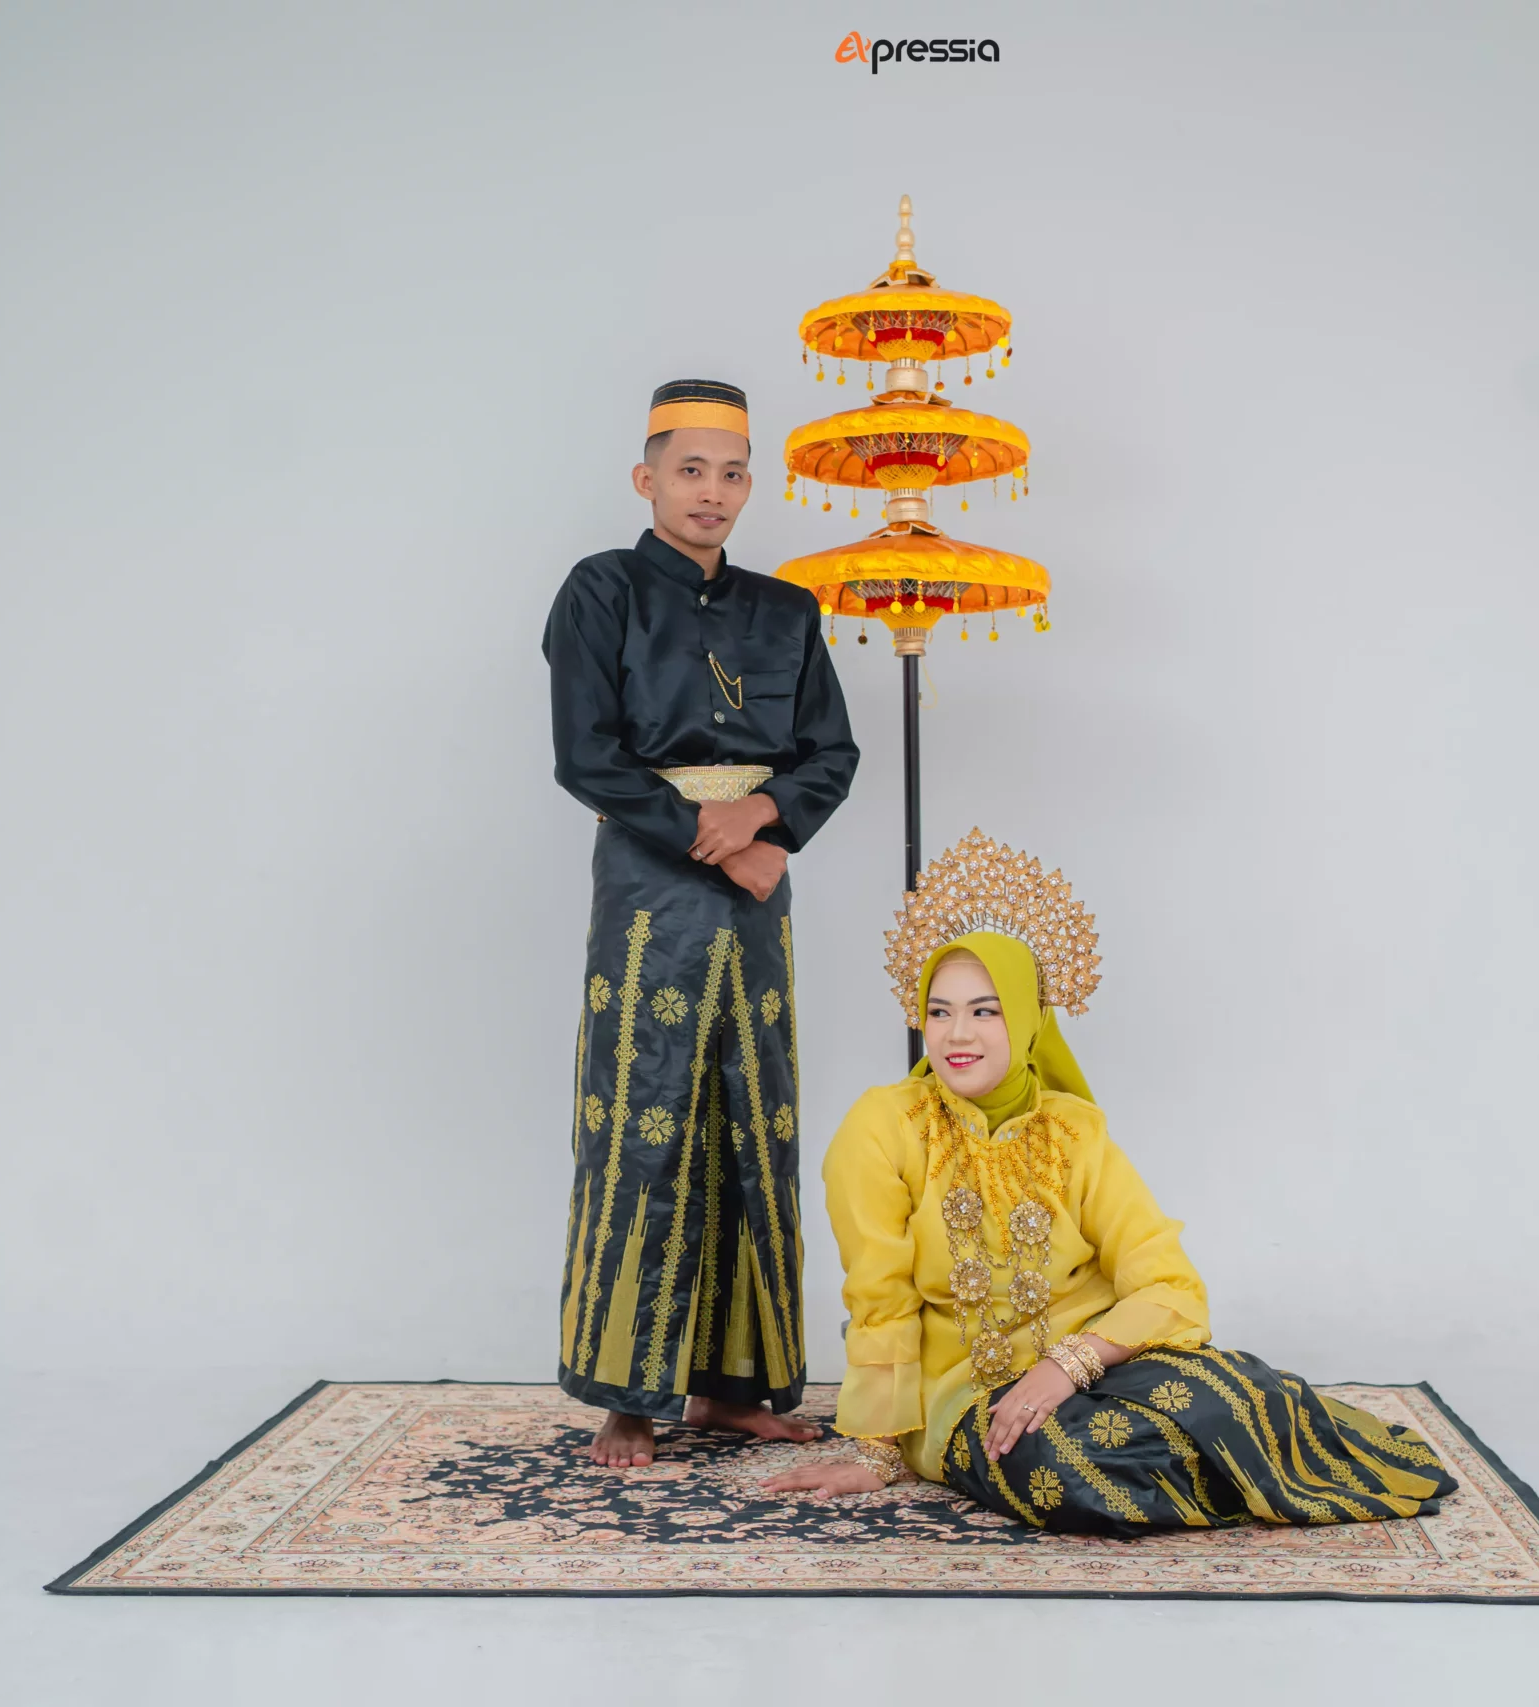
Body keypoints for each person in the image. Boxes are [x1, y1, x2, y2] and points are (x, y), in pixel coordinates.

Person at [762, 830, 1456, 1531]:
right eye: (939, 1011)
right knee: (1063, 1467)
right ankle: (1226, 1473)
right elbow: (879, 1297)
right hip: (966, 1394)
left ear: (1027, 1017)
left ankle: (1227, 1459)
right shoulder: (884, 1125)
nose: (956, 1035)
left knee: (1236, 1395)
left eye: (985, 1010)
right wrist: (879, 1450)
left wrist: (1067, 1365)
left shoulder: (1073, 1132)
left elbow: (1171, 1286)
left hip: (1095, 1366)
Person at [545, 379, 859, 1467]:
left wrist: (765, 821)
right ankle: (628, 1395)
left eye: (731, 473)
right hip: (651, 886)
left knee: (752, 1116)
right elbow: (585, 755)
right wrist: (711, 834)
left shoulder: (788, 610)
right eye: (689, 470)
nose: (710, 492)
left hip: (758, 897)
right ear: (647, 478)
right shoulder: (602, 589)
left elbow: (831, 752)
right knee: (644, 1113)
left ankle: (731, 1388)